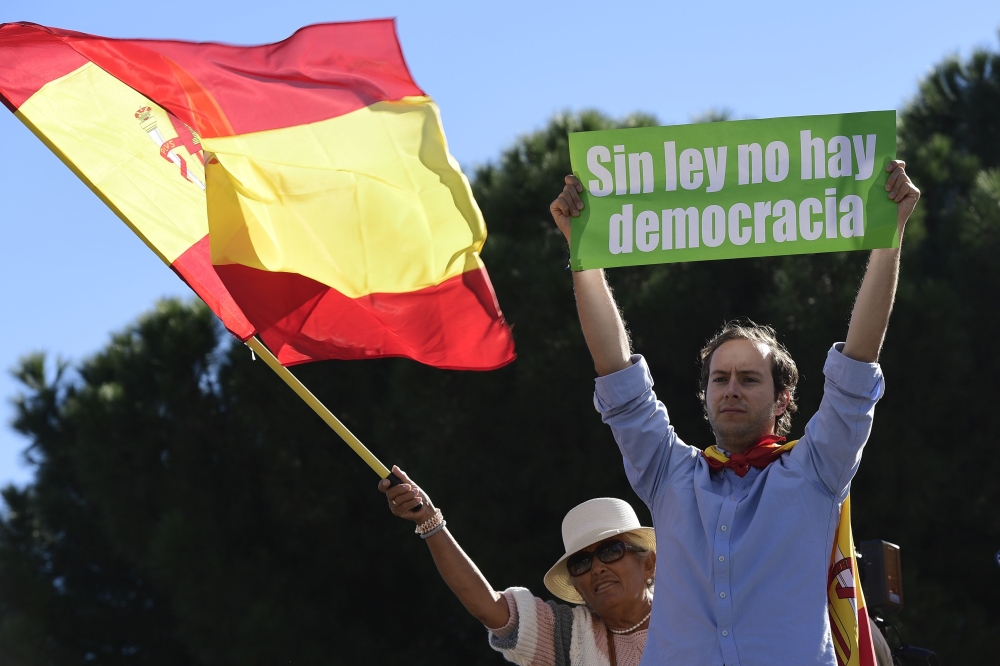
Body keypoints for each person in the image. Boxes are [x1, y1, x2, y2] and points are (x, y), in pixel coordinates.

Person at [548, 160, 920, 665]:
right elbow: (618, 376)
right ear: (704, 396)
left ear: (782, 398)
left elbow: (857, 366)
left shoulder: (817, 471)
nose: (731, 390)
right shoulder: (669, 474)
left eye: (749, 379)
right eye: (720, 379)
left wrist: (890, 235)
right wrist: (581, 252)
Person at [379, 466, 657, 665]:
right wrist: (429, 521)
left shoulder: (694, 613)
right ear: (577, 587)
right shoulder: (569, 637)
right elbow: (488, 608)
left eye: (610, 551)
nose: (597, 568)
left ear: (649, 565)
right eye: (581, 562)